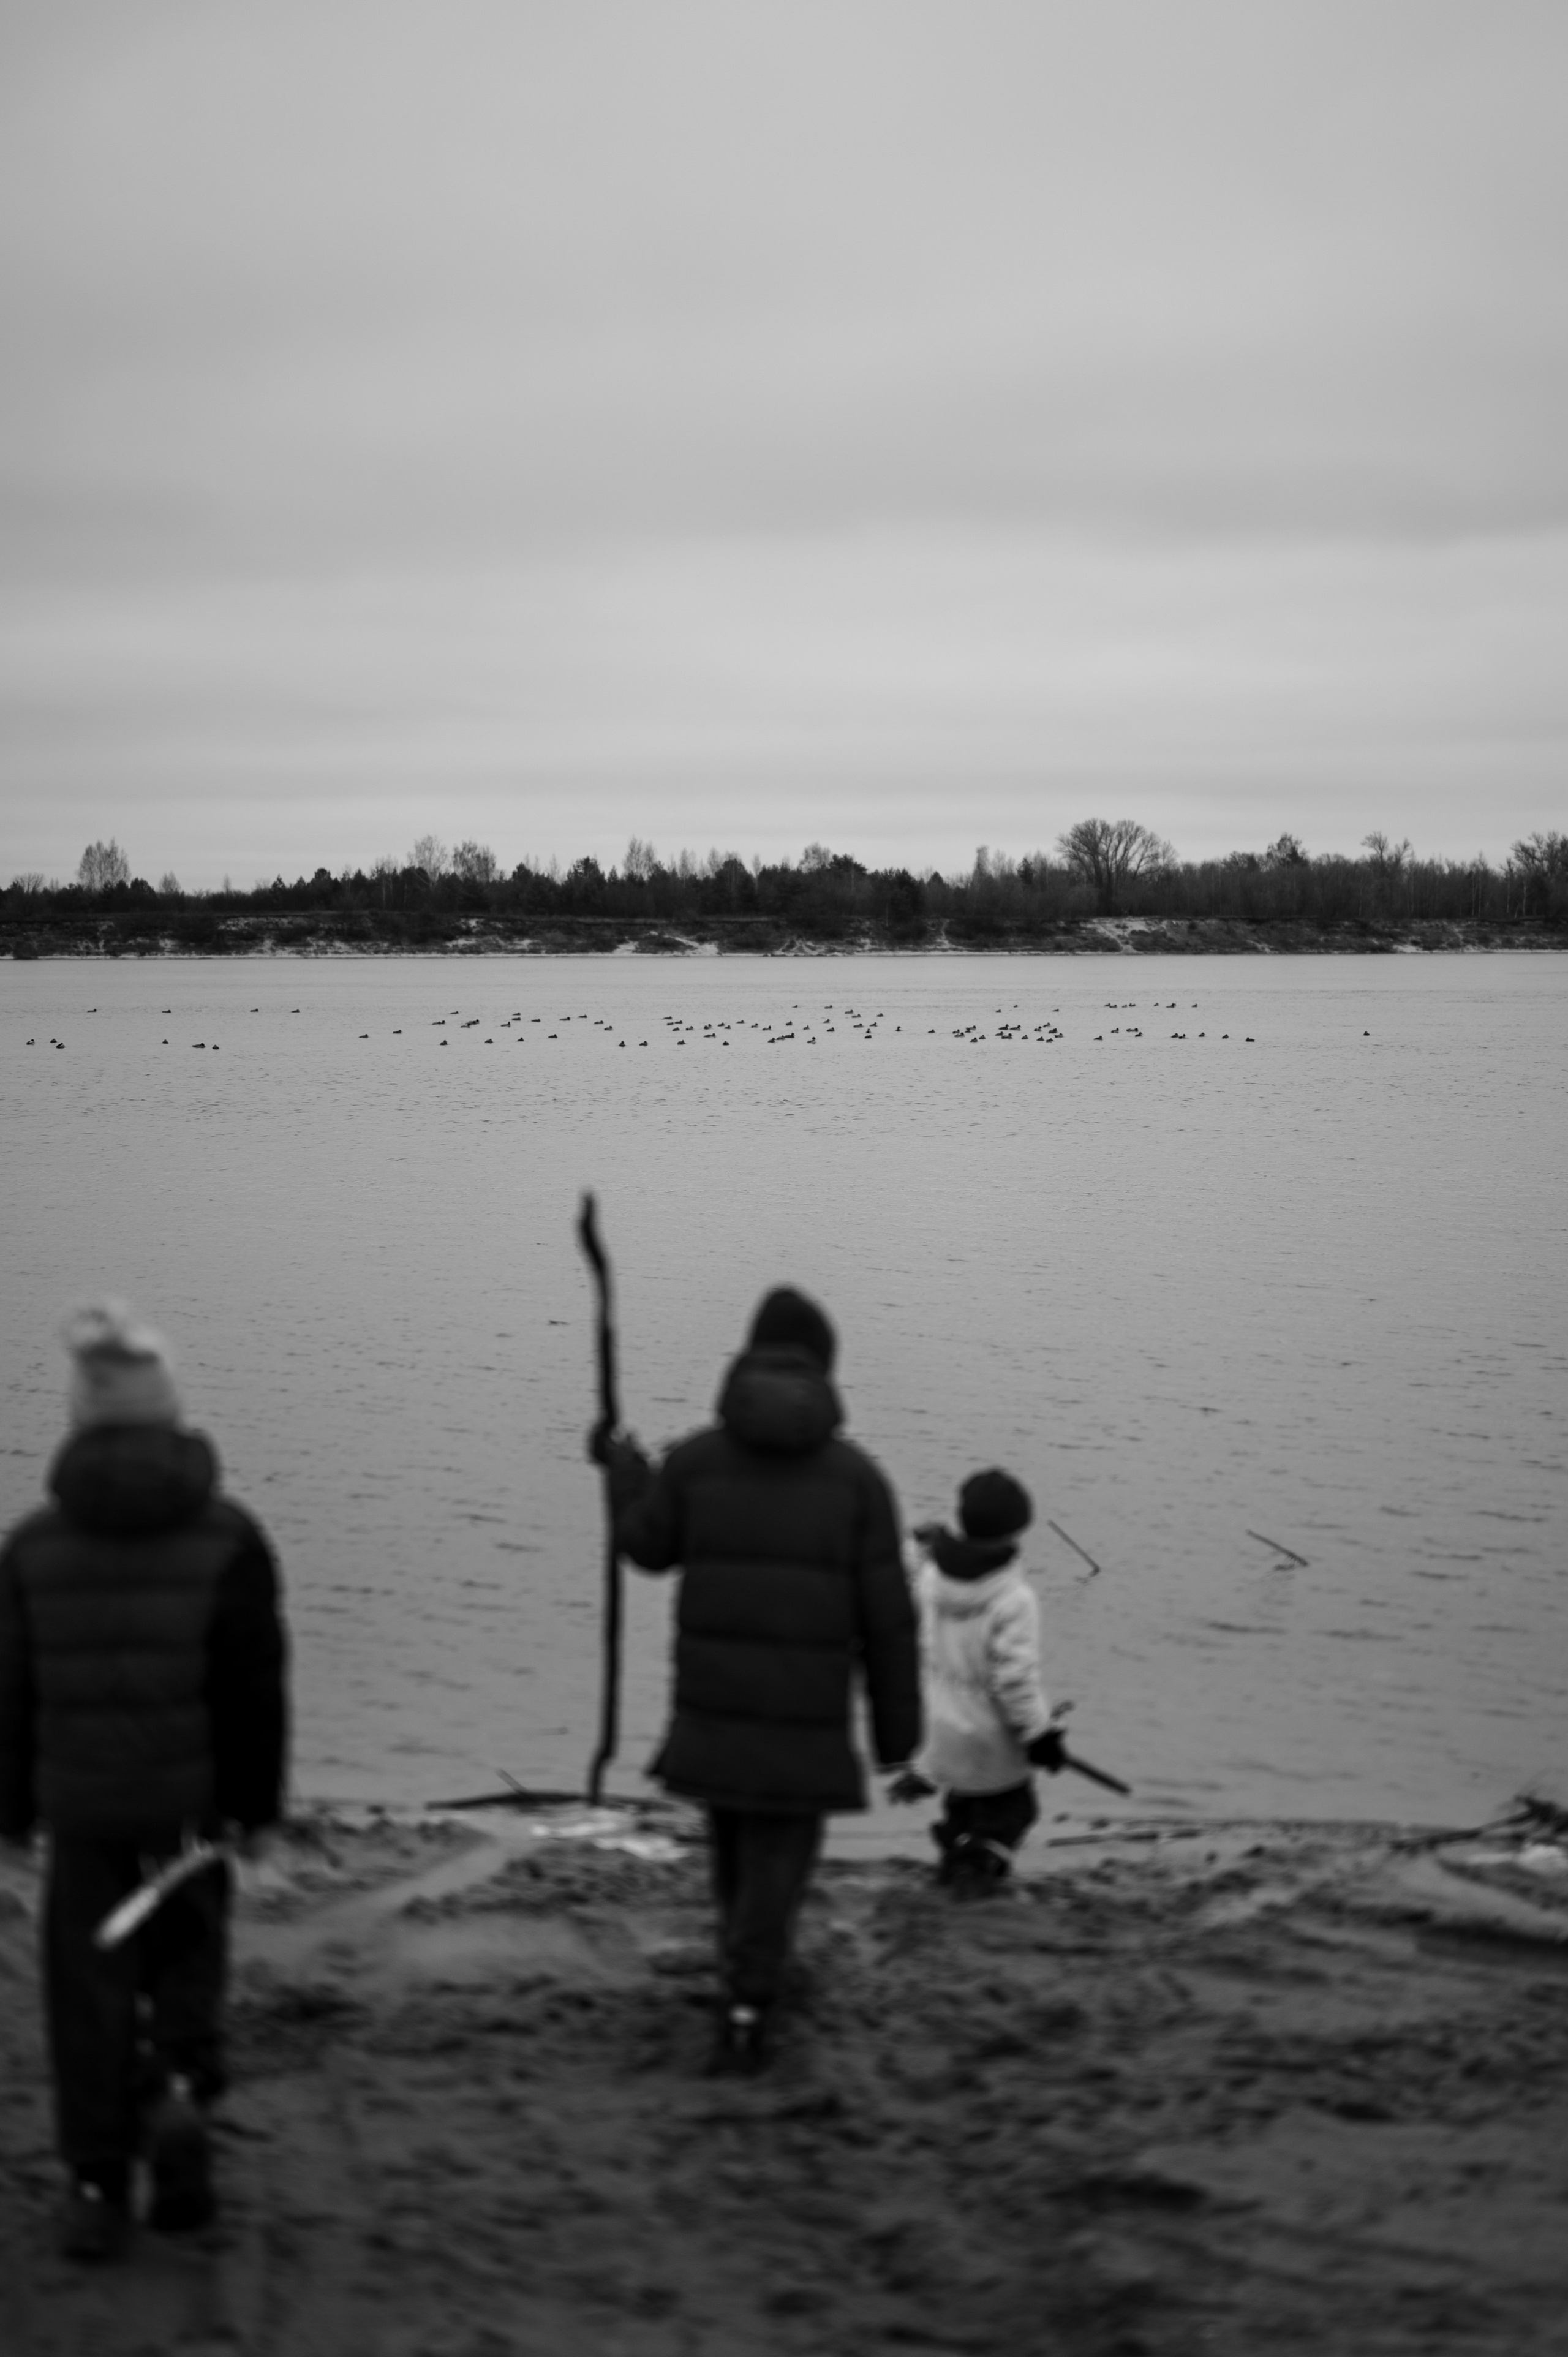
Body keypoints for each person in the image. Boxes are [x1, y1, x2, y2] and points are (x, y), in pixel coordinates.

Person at [0, 1302, 289, 2260]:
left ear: (79, 1418)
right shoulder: (231, 1540)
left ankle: (93, 2182)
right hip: (189, 1812)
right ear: (172, 1413)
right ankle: (175, 2092)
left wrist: (10, 1812)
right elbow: (253, 1691)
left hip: (84, 1812)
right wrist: (256, 1812)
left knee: (87, 1993)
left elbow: (11, 1696)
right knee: (188, 1964)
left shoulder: (33, 1547)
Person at [595, 1285, 919, 2072]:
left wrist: (622, 1471)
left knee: (736, 1850)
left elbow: (645, 1546)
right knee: (778, 1863)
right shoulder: (859, 1481)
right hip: (804, 1725)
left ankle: (746, 1972)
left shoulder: (696, 1462)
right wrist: (896, 1738)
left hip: (714, 1711)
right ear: (825, 1369)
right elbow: (889, 1620)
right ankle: (747, 2005)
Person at [890, 1468, 1063, 1893]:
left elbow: (905, 1584)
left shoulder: (933, 1579)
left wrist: (916, 1545)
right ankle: (973, 1876)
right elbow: (1014, 1680)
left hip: (942, 1732)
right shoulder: (1013, 1598)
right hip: (992, 1739)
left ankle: (955, 1858)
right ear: (1015, 1531)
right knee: (1012, 1812)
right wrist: (1040, 1734)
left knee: (966, 1805)